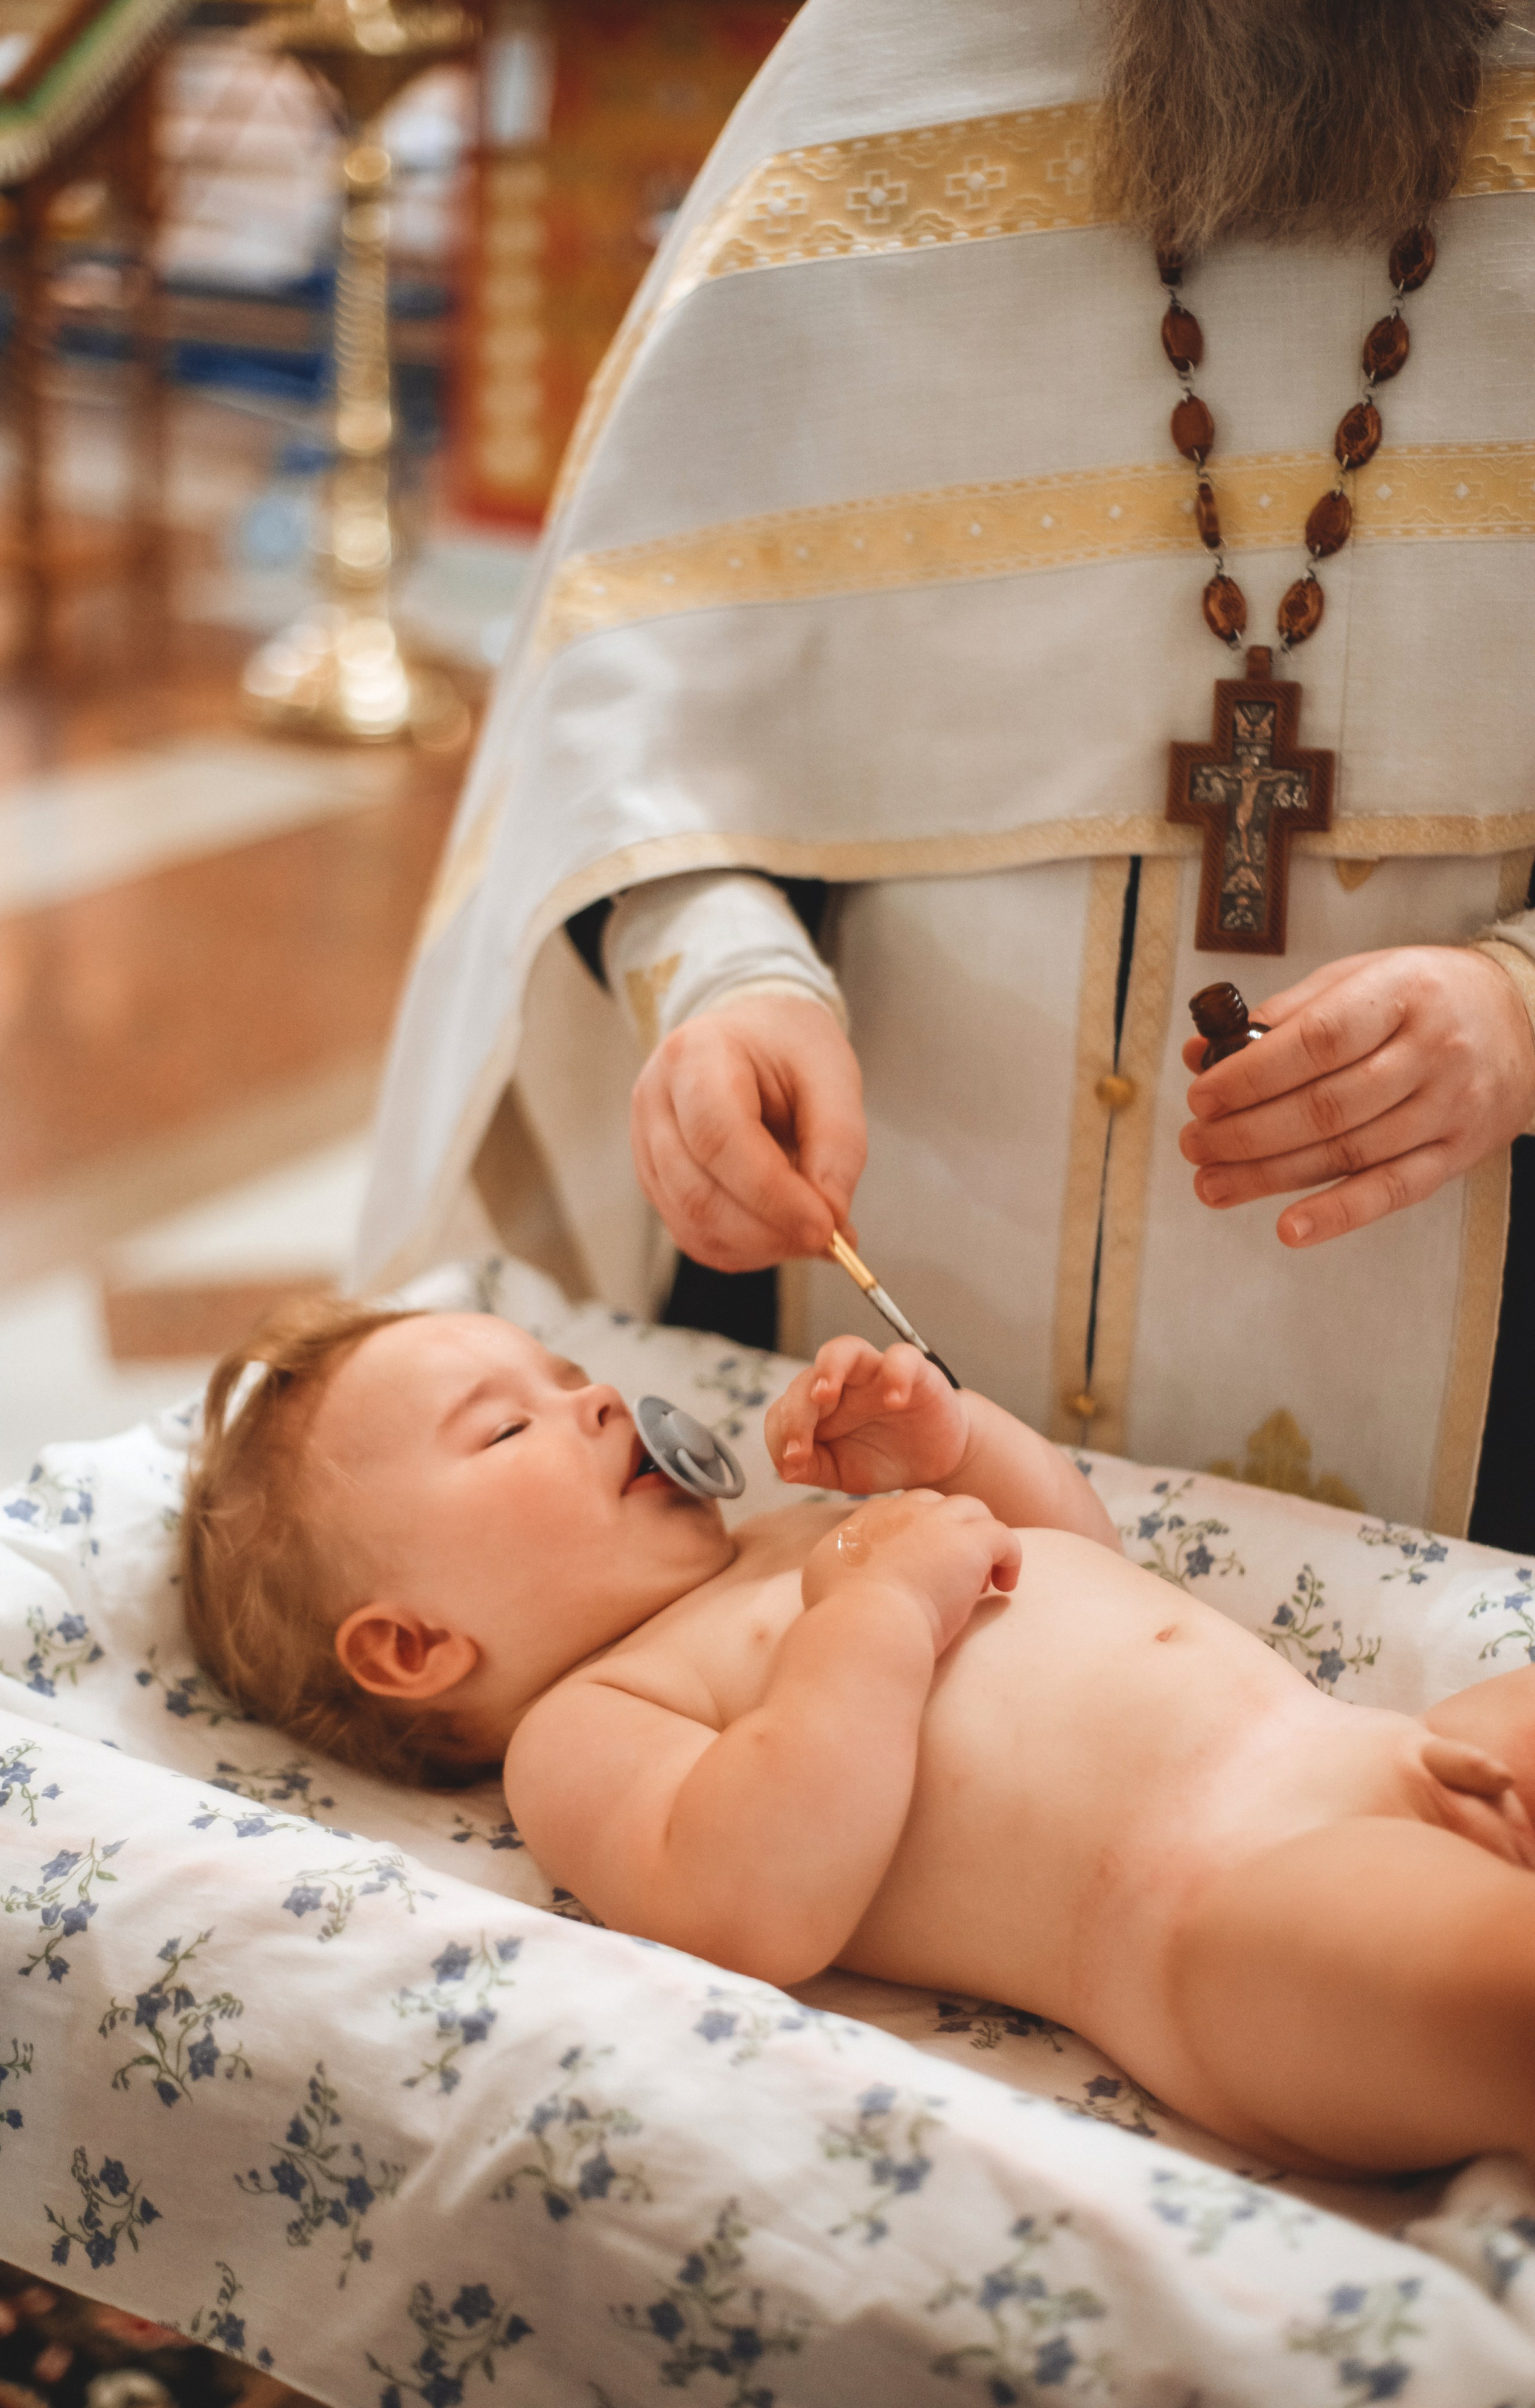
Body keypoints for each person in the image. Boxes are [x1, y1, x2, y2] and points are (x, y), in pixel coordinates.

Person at [357, 0, 1535, 1546]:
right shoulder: (884, 68)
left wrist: (1517, 1008)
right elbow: (632, 685)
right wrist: (722, 977)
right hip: (847, 1316)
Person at [182, 1297, 1535, 2178]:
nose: (595, 1398)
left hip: (1382, 1744)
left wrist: (959, 1448)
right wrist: (880, 1604)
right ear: (415, 1646)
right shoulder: (589, 1725)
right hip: (1230, 1908)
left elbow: (1069, 1565)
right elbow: (755, 1897)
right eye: (505, 1424)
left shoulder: (785, 1533)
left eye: (568, 1370)